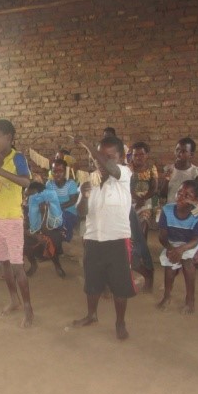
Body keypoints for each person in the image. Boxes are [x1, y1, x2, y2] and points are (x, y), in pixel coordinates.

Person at [72, 136, 136, 340]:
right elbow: (81, 212)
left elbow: (112, 168)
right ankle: (91, 315)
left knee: (120, 286)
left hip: (117, 239)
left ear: (121, 158)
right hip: (92, 239)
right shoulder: (89, 180)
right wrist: (84, 194)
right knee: (92, 282)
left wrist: (88, 145)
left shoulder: (124, 174)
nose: (102, 161)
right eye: (99, 157)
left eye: (109, 157)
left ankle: (120, 322)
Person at [0, 119, 34, 328]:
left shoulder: (18, 158)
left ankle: (29, 308)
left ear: (9, 138)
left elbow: (26, 182)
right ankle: (14, 300)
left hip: (12, 219)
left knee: (17, 266)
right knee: (4, 263)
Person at [156, 180, 198, 314]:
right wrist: (172, 249)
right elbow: (162, 236)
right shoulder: (167, 210)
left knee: (187, 262)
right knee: (170, 265)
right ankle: (167, 296)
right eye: (180, 193)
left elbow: (196, 240)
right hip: (171, 243)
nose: (181, 197)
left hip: (190, 245)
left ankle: (190, 300)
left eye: (187, 195)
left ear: (197, 200)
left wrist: (181, 250)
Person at [24, 181, 65, 278]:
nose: (26, 196)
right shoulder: (30, 201)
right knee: (25, 242)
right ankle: (33, 264)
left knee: (48, 240)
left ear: (34, 191)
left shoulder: (47, 199)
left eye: (28, 192)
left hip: (49, 228)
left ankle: (57, 265)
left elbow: (46, 228)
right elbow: (28, 223)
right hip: (37, 229)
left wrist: (44, 212)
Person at [161, 137, 198, 204]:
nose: (179, 153)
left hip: (187, 209)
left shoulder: (195, 172)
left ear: (191, 155)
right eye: (177, 150)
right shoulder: (168, 169)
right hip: (171, 207)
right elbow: (163, 195)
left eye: (183, 151)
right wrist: (167, 179)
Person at [46, 158, 79, 242]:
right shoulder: (49, 184)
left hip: (70, 213)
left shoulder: (70, 184)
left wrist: (58, 208)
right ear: (51, 172)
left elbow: (73, 201)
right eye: (54, 171)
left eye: (60, 171)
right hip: (55, 213)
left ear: (65, 171)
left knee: (62, 219)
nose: (57, 173)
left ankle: (65, 238)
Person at [130, 141, 158, 239]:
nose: (138, 157)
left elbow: (154, 188)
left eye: (141, 154)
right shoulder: (128, 169)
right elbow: (127, 187)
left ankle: (142, 247)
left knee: (144, 219)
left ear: (147, 155)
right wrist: (136, 199)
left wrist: (143, 200)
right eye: (135, 155)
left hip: (147, 198)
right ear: (132, 156)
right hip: (131, 198)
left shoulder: (151, 168)